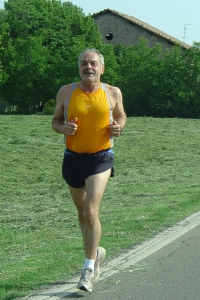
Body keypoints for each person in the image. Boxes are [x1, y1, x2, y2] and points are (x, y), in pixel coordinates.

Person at [51, 48, 127, 293]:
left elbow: (121, 116)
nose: (89, 67)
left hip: (101, 156)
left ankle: (88, 268)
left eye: (93, 63)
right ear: (79, 68)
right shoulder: (66, 91)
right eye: (84, 63)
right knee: (83, 212)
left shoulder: (112, 92)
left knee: (91, 211)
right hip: (73, 158)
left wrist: (118, 127)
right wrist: (63, 129)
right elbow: (55, 121)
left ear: (102, 68)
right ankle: (96, 252)